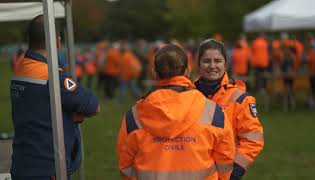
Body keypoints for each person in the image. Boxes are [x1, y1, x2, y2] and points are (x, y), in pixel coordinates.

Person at [117, 44, 235, 180]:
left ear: (154, 72)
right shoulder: (214, 112)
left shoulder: (134, 115)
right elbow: (225, 160)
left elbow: (125, 163)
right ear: (188, 71)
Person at [10, 15, 100, 180]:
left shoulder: (20, 68)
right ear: (56, 40)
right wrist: (72, 111)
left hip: (22, 162)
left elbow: (39, 104)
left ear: (30, 39)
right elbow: (93, 106)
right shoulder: (51, 76)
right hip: (48, 167)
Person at [194, 39, 264, 180]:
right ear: (198, 64)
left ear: (225, 64)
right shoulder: (187, 95)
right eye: (206, 61)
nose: (212, 66)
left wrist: (234, 171)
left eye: (218, 61)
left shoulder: (240, 99)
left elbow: (253, 140)